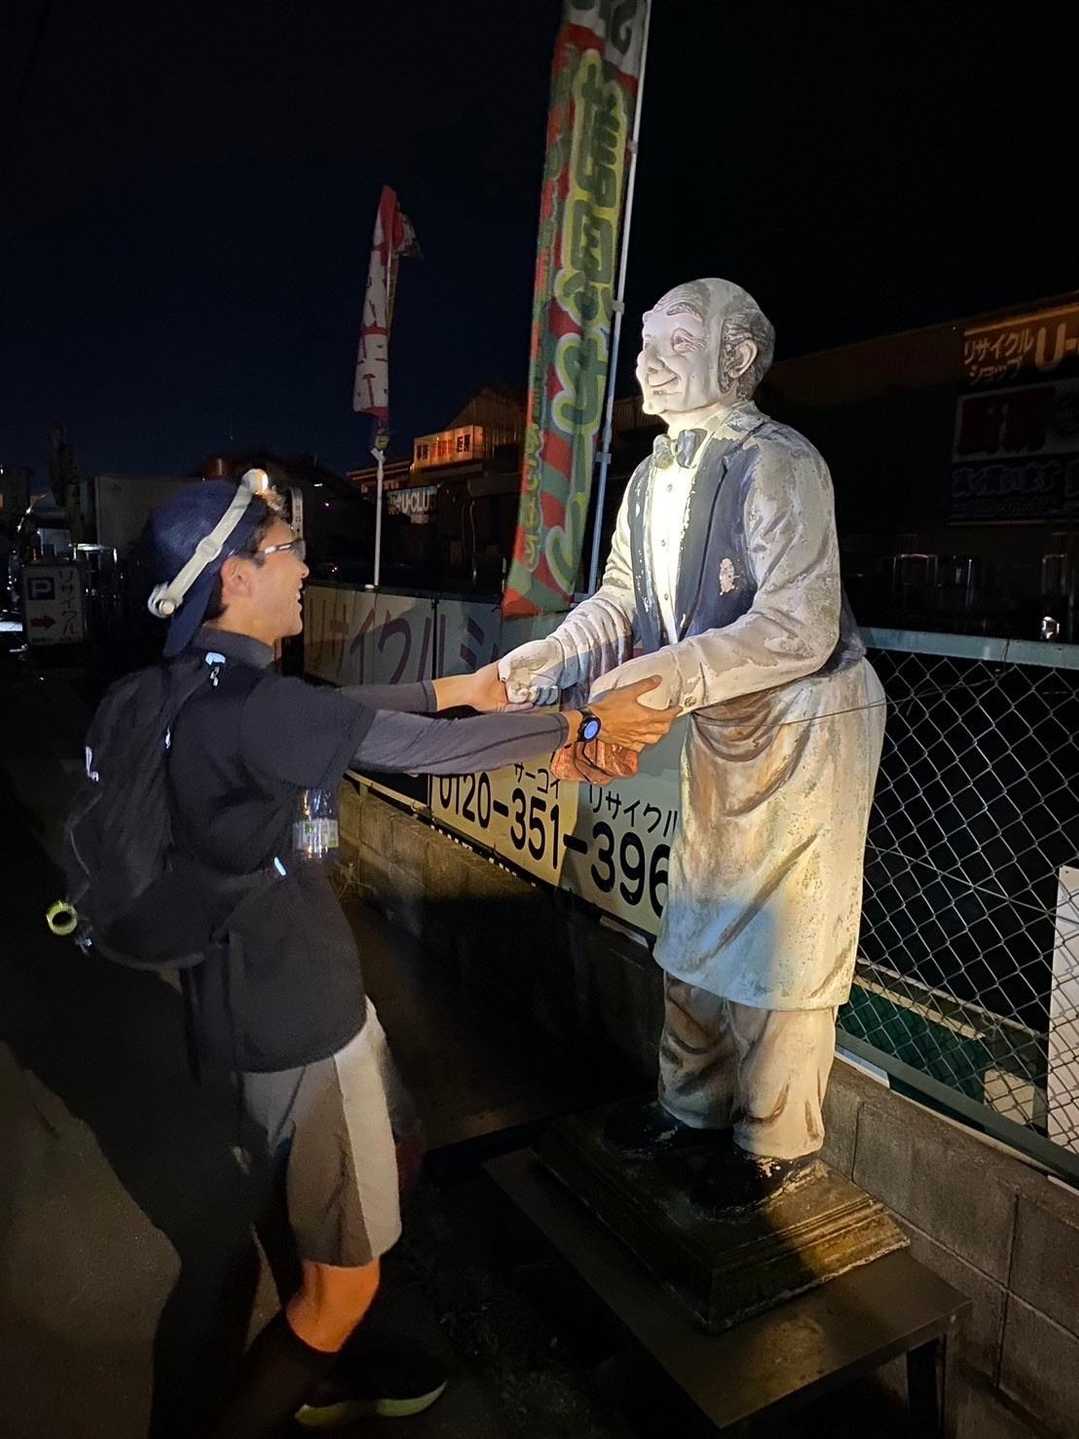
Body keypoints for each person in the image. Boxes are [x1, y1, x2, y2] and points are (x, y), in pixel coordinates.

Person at [143, 474, 678, 1438]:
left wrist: (461, 689)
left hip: (238, 1002)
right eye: (286, 548)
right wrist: (581, 724)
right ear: (234, 576)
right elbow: (415, 750)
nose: (306, 565)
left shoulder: (202, 686)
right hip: (304, 1024)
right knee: (340, 1289)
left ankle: (327, 1369)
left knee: (379, 1159)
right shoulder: (255, 711)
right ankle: (306, 1366)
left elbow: (337, 711)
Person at [499, 279, 886, 1209]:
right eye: (646, 341)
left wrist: (665, 675)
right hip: (720, 719)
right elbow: (621, 599)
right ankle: (689, 1104)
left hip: (806, 725)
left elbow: (799, 625)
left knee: (786, 939)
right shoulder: (648, 477)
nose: (648, 361)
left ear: (738, 358)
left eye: (676, 340)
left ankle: (772, 1137)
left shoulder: (780, 461)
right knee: (696, 915)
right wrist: (554, 653)